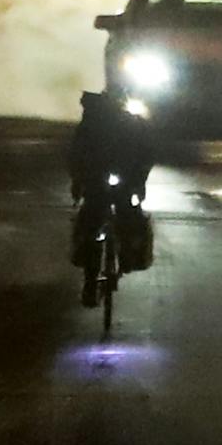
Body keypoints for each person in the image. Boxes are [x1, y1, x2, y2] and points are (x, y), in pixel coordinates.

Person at [68, 90, 155, 307]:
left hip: (110, 182)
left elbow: (144, 155)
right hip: (107, 182)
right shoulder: (122, 123)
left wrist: (79, 181)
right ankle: (94, 278)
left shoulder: (98, 123)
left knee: (98, 219)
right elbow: (146, 155)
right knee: (103, 222)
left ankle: (114, 263)